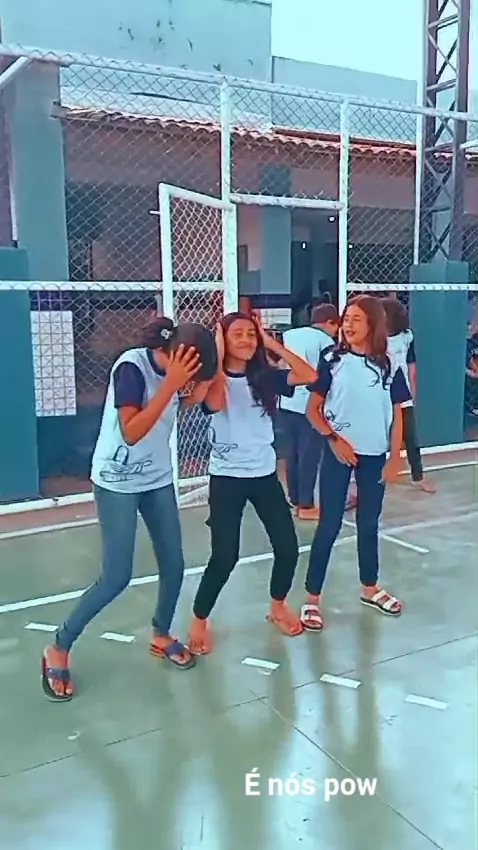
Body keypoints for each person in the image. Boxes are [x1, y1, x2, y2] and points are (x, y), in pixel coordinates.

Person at [41, 317, 212, 701]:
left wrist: (191, 394)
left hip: (157, 478)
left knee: (174, 564)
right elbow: (132, 431)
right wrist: (172, 386)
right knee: (116, 576)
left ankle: (160, 633)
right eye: (190, 370)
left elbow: (168, 409)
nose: (189, 377)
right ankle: (59, 645)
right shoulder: (131, 368)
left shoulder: (174, 375)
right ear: (174, 354)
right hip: (117, 480)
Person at [186, 312, 318, 654]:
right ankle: (199, 618)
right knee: (224, 557)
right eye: (237, 334)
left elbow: (309, 375)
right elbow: (214, 402)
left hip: (263, 475)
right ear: (223, 339)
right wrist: (217, 352)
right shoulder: (213, 380)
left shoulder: (265, 378)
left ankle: (277, 606)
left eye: (250, 334)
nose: (245, 340)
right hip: (227, 478)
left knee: (287, 548)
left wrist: (270, 342)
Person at [300, 295, 410, 631]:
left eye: (356, 319)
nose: (348, 324)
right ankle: (311, 598)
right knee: (329, 525)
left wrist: (394, 457)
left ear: (373, 324)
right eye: (346, 318)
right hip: (338, 455)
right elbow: (313, 410)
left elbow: (398, 414)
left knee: (369, 523)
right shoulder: (332, 360)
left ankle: (370, 587)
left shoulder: (388, 364)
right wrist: (334, 440)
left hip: (374, 457)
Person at [279, 304, 339, 520]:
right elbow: (330, 373)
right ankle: (306, 505)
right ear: (330, 323)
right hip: (310, 405)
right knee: (309, 456)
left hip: (287, 401)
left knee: (292, 454)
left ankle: (295, 499)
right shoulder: (326, 342)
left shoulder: (289, 335)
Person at [381, 297, 435, 493]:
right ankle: (380, 470)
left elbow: (411, 365)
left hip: (400, 388)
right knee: (379, 432)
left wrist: (412, 391)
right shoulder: (374, 337)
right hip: (379, 388)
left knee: (410, 434)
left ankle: (418, 475)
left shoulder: (406, 337)